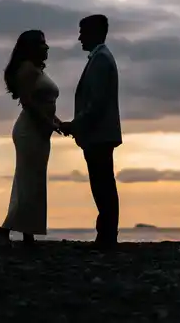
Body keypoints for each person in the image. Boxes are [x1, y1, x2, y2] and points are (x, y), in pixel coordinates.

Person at [0, 30, 62, 247]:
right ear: (31, 47)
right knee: (27, 182)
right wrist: (49, 123)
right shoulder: (27, 70)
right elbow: (29, 103)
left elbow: (44, 105)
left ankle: (28, 234)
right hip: (29, 131)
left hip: (40, 131)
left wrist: (56, 123)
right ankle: (3, 232)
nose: (46, 47)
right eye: (42, 43)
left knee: (34, 181)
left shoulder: (35, 70)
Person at [59, 15, 122, 250]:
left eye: (82, 32)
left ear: (95, 32)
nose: (79, 37)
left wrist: (74, 125)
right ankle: (106, 234)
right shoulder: (101, 58)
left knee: (102, 185)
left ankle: (106, 236)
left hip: (99, 135)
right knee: (103, 184)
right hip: (100, 134)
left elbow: (96, 104)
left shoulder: (101, 60)